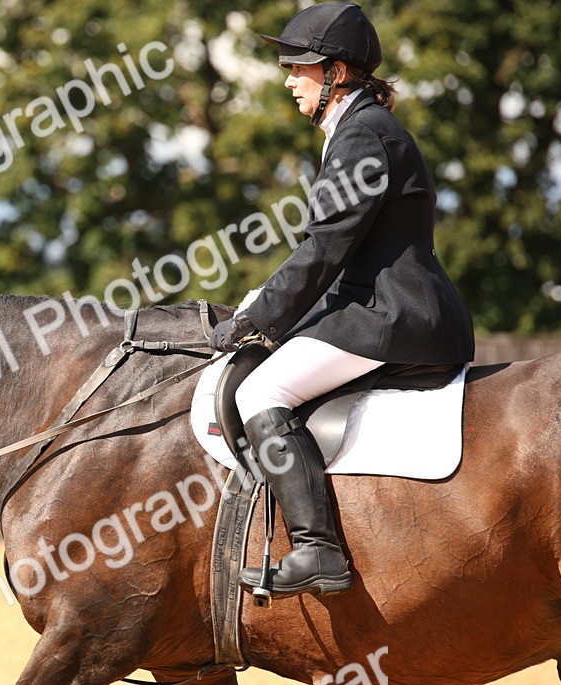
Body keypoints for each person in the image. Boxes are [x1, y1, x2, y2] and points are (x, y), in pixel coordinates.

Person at [207, 2, 475, 598]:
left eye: (299, 67)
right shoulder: (359, 129)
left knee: (260, 391)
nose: (287, 79)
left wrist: (257, 319)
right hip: (380, 305)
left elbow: (323, 250)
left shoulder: (364, 136)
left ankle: (317, 550)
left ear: (339, 72)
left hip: (393, 315)